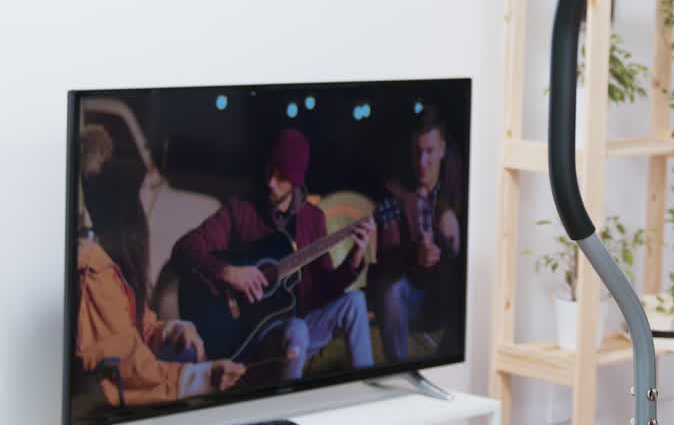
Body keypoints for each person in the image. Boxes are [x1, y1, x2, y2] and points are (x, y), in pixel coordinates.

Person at [172, 127, 375, 382]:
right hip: (250, 335)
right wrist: (227, 272)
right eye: (270, 171)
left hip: (297, 324)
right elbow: (184, 250)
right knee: (296, 329)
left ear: (296, 181)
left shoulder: (313, 219)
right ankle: (284, 407)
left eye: (281, 178)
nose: (270, 182)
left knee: (354, 301)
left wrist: (355, 257)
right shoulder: (241, 210)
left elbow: (323, 290)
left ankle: (368, 386)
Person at [74, 124, 246, 411]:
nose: (143, 208)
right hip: (105, 404)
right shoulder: (93, 273)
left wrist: (171, 330)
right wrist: (203, 377)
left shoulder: (107, 261)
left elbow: (134, 325)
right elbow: (125, 366)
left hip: (126, 385)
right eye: (137, 196)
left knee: (186, 351)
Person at [370, 107, 465, 363]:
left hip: (450, 295)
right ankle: (398, 371)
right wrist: (415, 256)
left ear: (443, 149)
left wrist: (451, 239)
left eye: (430, 152)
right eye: (417, 153)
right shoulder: (395, 194)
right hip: (414, 299)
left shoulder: (459, 187)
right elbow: (383, 261)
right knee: (389, 290)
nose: (423, 163)